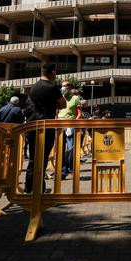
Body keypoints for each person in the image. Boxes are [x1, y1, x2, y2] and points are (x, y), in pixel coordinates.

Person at [24, 63, 66, 193]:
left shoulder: (34, 87)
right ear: (52, 73)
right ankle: (38, 187)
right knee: (43, 158)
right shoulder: (52, 87)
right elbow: (63, 104)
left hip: (32, 126)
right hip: (46, 126)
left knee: (33, 157)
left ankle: (29, 185)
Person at [58, 86, 82, 179]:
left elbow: (79, 113)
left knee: (71, 149)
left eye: (66, 86)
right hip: (60, 126)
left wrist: (74, 123)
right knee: (60, 150)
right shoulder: (60, 98)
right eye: (63, 86)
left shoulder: (75, 98)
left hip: (70, 126)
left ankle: (70, 168)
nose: (64, 88)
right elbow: (57, 111)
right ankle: (63, 172)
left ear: (69, 88)